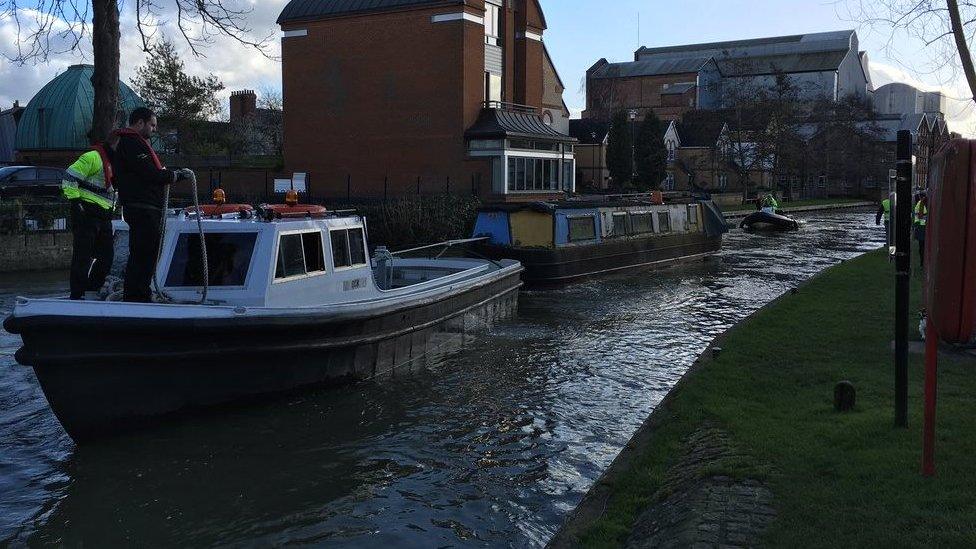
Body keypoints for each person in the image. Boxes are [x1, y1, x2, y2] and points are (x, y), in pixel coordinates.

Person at [113, 107, 191, 302]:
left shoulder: (132, 144)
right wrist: (174, 176)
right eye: (152, 125)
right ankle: (137, 295)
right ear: (140, 123)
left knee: (144, 251)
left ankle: (138, 293)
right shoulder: (132, 144)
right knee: (144, 252)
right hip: (142, 207)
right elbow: (149, 173)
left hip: (142, 206)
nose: (154, 130)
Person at [61, 139, 118, 299]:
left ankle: (91, 290)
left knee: (106, 258)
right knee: (83, 257)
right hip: (87, 214)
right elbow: (69, 178)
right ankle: (78, 295)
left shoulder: (116, 162)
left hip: (104, 215)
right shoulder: (93, 157)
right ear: (116, 143)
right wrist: (76, 203)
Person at [914, 193, 928, 269]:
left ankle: (922, 263)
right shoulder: (922, 203)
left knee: (922, 247)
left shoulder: (920, 204)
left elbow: (920, 217)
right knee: (922, 247)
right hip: (922, 226)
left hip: (921, 227)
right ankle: (922, 263)